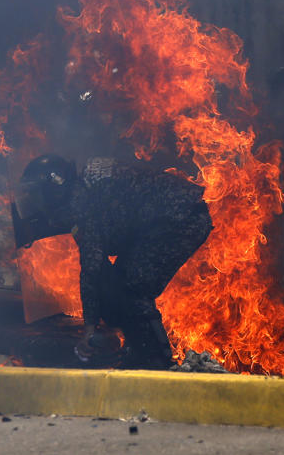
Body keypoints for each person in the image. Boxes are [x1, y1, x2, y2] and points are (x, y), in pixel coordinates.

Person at [11, 154, 212, 369]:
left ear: (55, 191)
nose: (36, 204)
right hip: (168, 220)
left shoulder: (85, 206)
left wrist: (89, 327)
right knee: (116, 287)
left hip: (181, 221)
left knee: (131, 289)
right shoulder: (86, 189)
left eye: (37, 195)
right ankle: (139, 352)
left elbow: (92, 269)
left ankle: (157, 362)